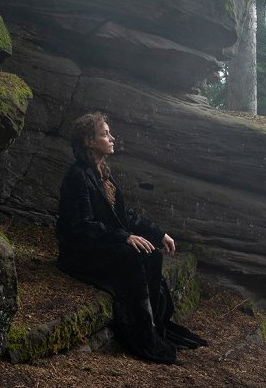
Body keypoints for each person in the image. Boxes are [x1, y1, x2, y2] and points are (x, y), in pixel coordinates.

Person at [55, 111, 207, 364]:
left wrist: (160, 233)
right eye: (105, 134)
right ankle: (141, 335)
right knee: (132, 256)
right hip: (79, 252)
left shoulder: (103, 172)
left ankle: (154, 327)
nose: (112, 138)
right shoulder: (77, 175)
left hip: (100, 243)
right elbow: (81, 226)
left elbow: (127, 215)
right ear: (89, 142)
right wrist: (124, 237)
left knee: (153, 254)